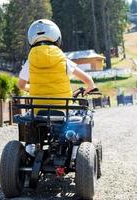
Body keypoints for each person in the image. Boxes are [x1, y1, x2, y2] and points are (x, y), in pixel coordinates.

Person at [18, 19, 96, 156]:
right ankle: (75, 151)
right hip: (62, 110)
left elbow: (21, 85)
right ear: (57, 37)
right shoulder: (63, 60)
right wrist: (88, 88)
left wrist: (34, 88)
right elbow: (89, 81)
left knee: (29, 120)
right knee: (84, 116)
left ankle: (31, 149)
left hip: (38, 112)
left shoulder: (30, 61)